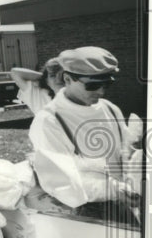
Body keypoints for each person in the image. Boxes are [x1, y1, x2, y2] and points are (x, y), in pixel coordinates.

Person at [28, 46, 143, 209]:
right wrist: (115, 191)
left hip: (127, 198)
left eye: (107, 84)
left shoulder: (109, 108)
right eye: (93, 85)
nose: (101, 91)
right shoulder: (49, 121)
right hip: (84, 208)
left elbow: (124, 153)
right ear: (67, 79)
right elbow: (62, 183)